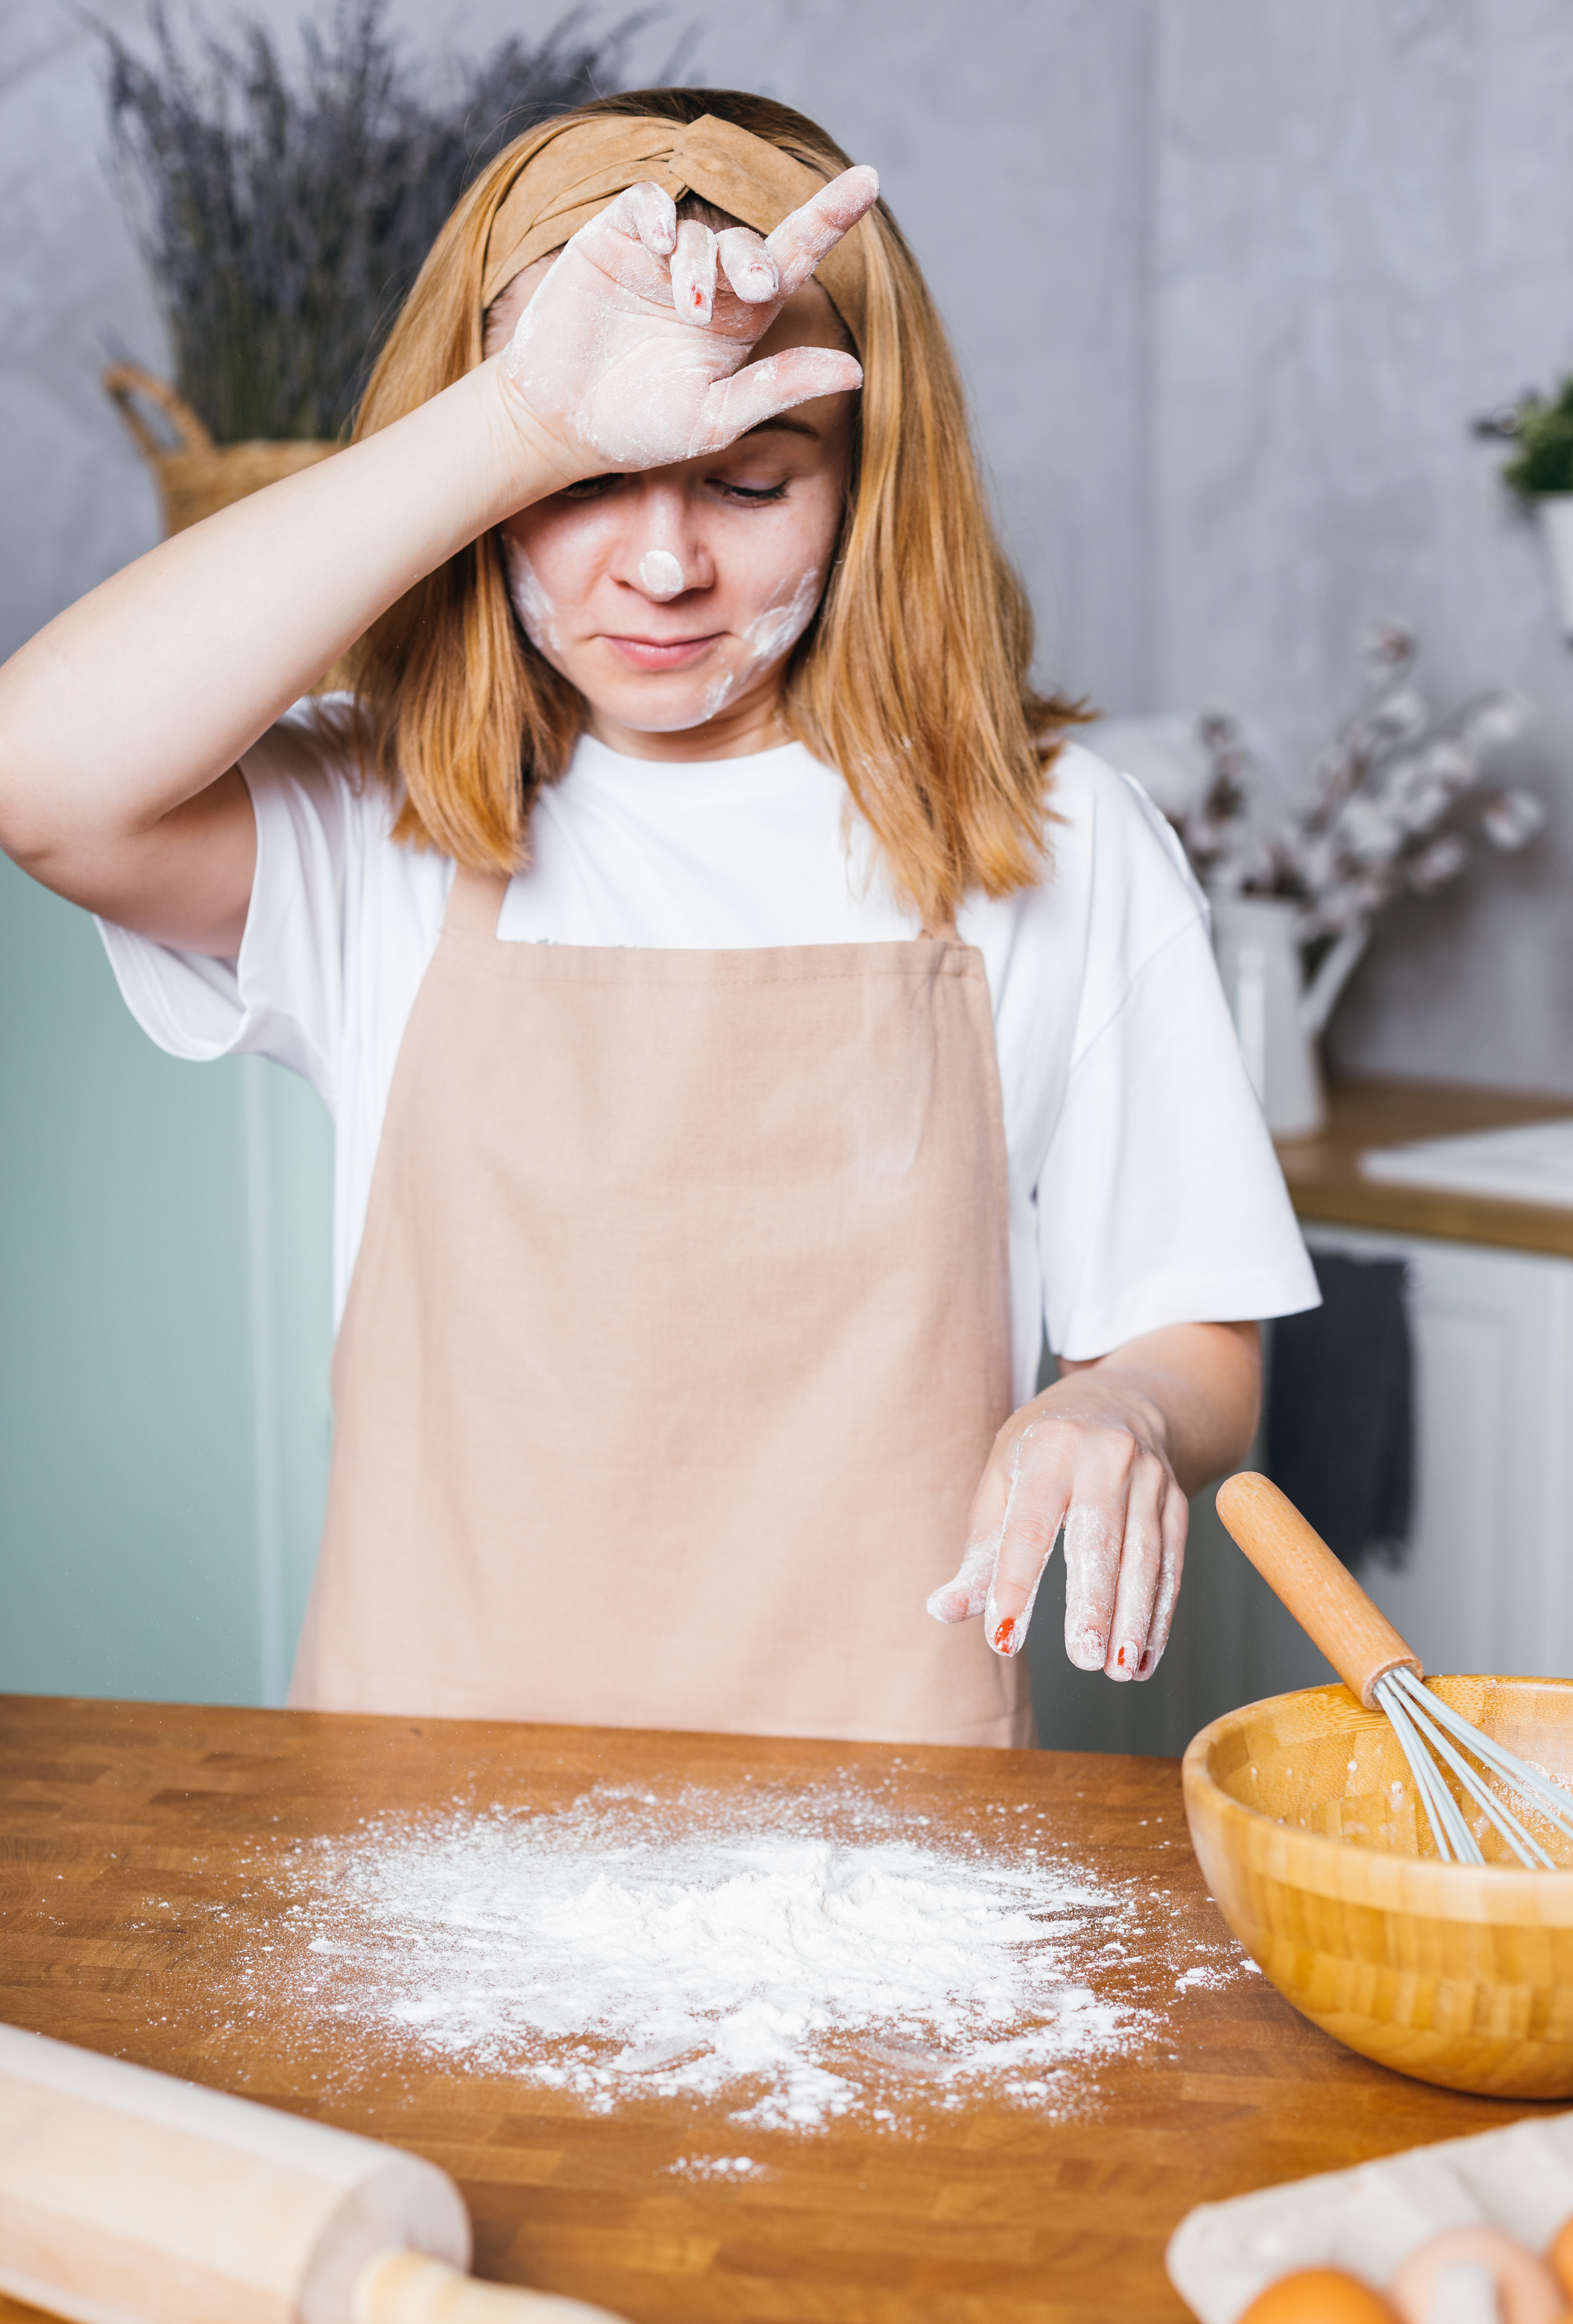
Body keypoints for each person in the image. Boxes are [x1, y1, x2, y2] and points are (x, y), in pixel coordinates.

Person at [0, 88, 1316, 1747]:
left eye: (752, 486)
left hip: (881, 1836)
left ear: (867, 482)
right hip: (421, 1833)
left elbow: (1192, 1336)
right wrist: (524, 418)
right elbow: (39, 779)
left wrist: (1122, 1405)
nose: (666, 566)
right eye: (593, 488)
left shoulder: (1054, 838)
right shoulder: (379, 824)